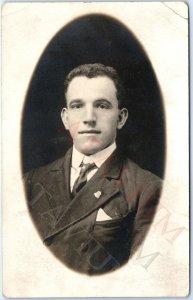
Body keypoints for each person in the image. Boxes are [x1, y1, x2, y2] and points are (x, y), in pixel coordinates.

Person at [24, 63, 162, 275]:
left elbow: (143, 278)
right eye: (77, 106)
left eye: (102, 105)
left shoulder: (148, 188)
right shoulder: (30, 182)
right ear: (65, 117)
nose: (89, 117)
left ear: (121, 117)